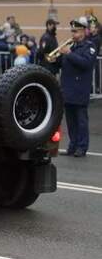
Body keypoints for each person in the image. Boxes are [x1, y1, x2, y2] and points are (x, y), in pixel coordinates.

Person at [56, 18, 98, 157]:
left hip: (80, 89)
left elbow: (85, 63)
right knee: (70, 122)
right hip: (67, 89)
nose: (73, 34)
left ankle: (82, 147)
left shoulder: (89, 47)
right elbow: (62, 65)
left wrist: (68, 53)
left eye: (76, 31)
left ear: (84, 32)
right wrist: (56, 57)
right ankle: (72, 146)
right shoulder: (72, 47)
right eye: (72, 31)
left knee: (81, 121)